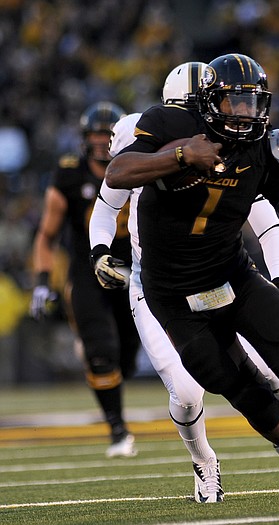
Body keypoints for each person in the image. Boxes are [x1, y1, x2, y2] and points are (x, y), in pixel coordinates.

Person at [102, 53, 279, 503]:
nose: (245, 114)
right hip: (172, 294)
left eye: (252, 103)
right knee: (236, 387)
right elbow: (118, 172)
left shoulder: (256, 148)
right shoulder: (167, 124)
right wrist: (183, 155)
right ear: (208, 103)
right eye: (234, 103)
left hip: (231, 275)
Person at [30, 101, 141, 459]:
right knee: (100, 352)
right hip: (88, 271)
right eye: (96, 134)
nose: (102, 141)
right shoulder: (70, 174)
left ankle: (113, 398)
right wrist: (43, 280)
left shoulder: (142, 164)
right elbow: (46, 235)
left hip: (133, 271)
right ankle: (117, 428)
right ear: (84, 138)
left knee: (126, 358)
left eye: (108, 134)